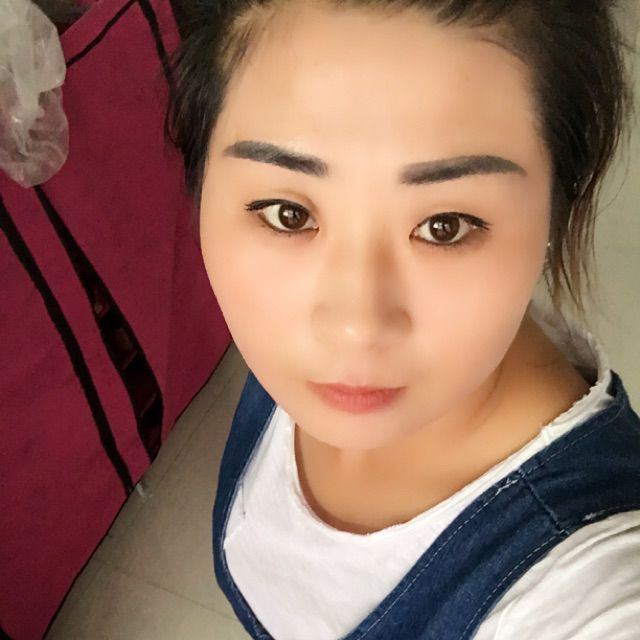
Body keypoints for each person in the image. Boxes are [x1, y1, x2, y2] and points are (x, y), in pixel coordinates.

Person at [165, 1, 640, 638]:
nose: (355, 328)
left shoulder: (591, 589)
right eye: (287, 214)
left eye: (445, 226)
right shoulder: (287, 357)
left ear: (557, 208)